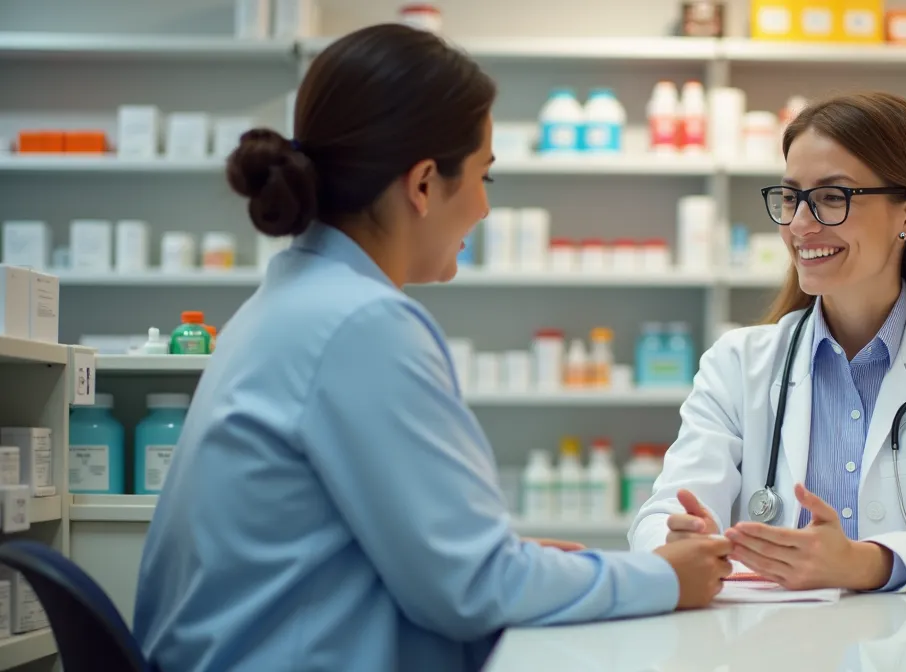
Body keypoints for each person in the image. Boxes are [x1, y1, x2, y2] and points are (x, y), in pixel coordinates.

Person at [132, 24, 732, 672]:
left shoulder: (292, 300)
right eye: (484, 177)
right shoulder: (362, 324)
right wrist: (666, 577)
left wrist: (525, 563)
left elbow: (424, 559)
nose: (481, 208)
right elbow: (472, 591)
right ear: (422, 184)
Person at [628, 92, 906, 593]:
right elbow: (662, 513)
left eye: (833, 197)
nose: (800, 226)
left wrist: (864, 563)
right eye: (790, 198)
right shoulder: (736, 364)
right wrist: (679, 541)